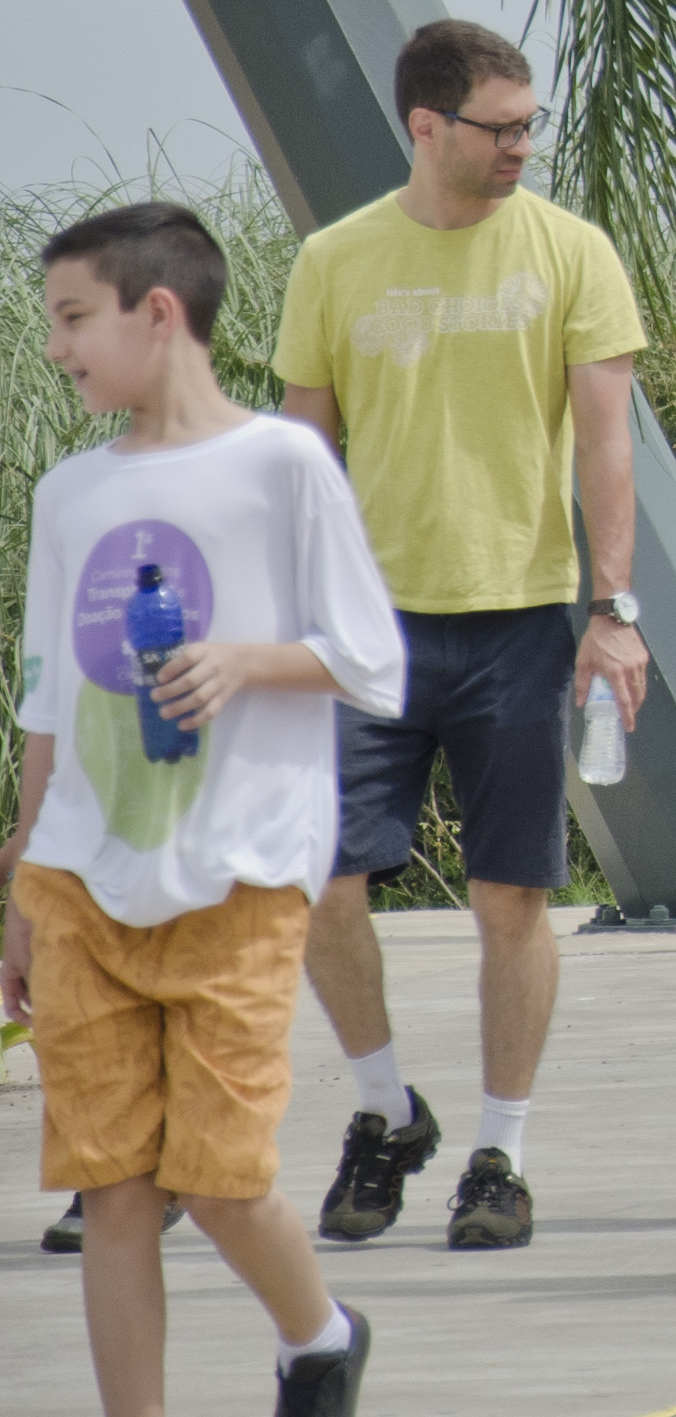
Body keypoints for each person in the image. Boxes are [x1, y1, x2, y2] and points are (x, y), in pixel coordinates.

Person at [11, 202, 408, 1417]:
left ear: (160, 312)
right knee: (114, 1188)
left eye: (75, 318)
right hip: (83, 877)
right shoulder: (70, 490)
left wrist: (244, 662)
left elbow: (370, 659)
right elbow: (46, 702)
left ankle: (319, 1334)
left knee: (223, 1179)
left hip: (239, 873)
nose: (59, 347)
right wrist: (21, 880)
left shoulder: (282, 462)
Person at [269, 17, 647, 1259]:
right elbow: (300, 451)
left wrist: (615, 612)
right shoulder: (335, 260)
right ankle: (384, 1113)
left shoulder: (571, 253)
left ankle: (501, 1152)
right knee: (320, 883)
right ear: (425, 127)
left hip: (522, 620)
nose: (522, 147)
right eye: (500, 127)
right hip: (363, 631)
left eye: (531, 123)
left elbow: (604, 444)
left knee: (510, 897)